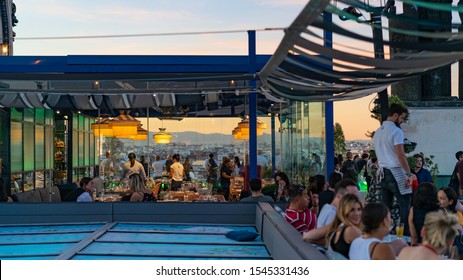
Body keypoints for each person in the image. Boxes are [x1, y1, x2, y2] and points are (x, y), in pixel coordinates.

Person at [373, 103, 416, 235]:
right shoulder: (396, 131)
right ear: (395, 115)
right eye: (402, 118)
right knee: (405, 206)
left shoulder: (378, 132)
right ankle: (405, 236)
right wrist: (409, 173)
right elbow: (400, 155)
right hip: (396, 172)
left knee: (385, 208)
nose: (402, 121)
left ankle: (384, 233)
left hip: (382, 173)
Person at [325, 194, 363, 259]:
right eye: (352, 210)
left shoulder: (338, 228)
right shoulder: (350, 230)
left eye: (359, 209)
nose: (357, 214)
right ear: (344, 212)